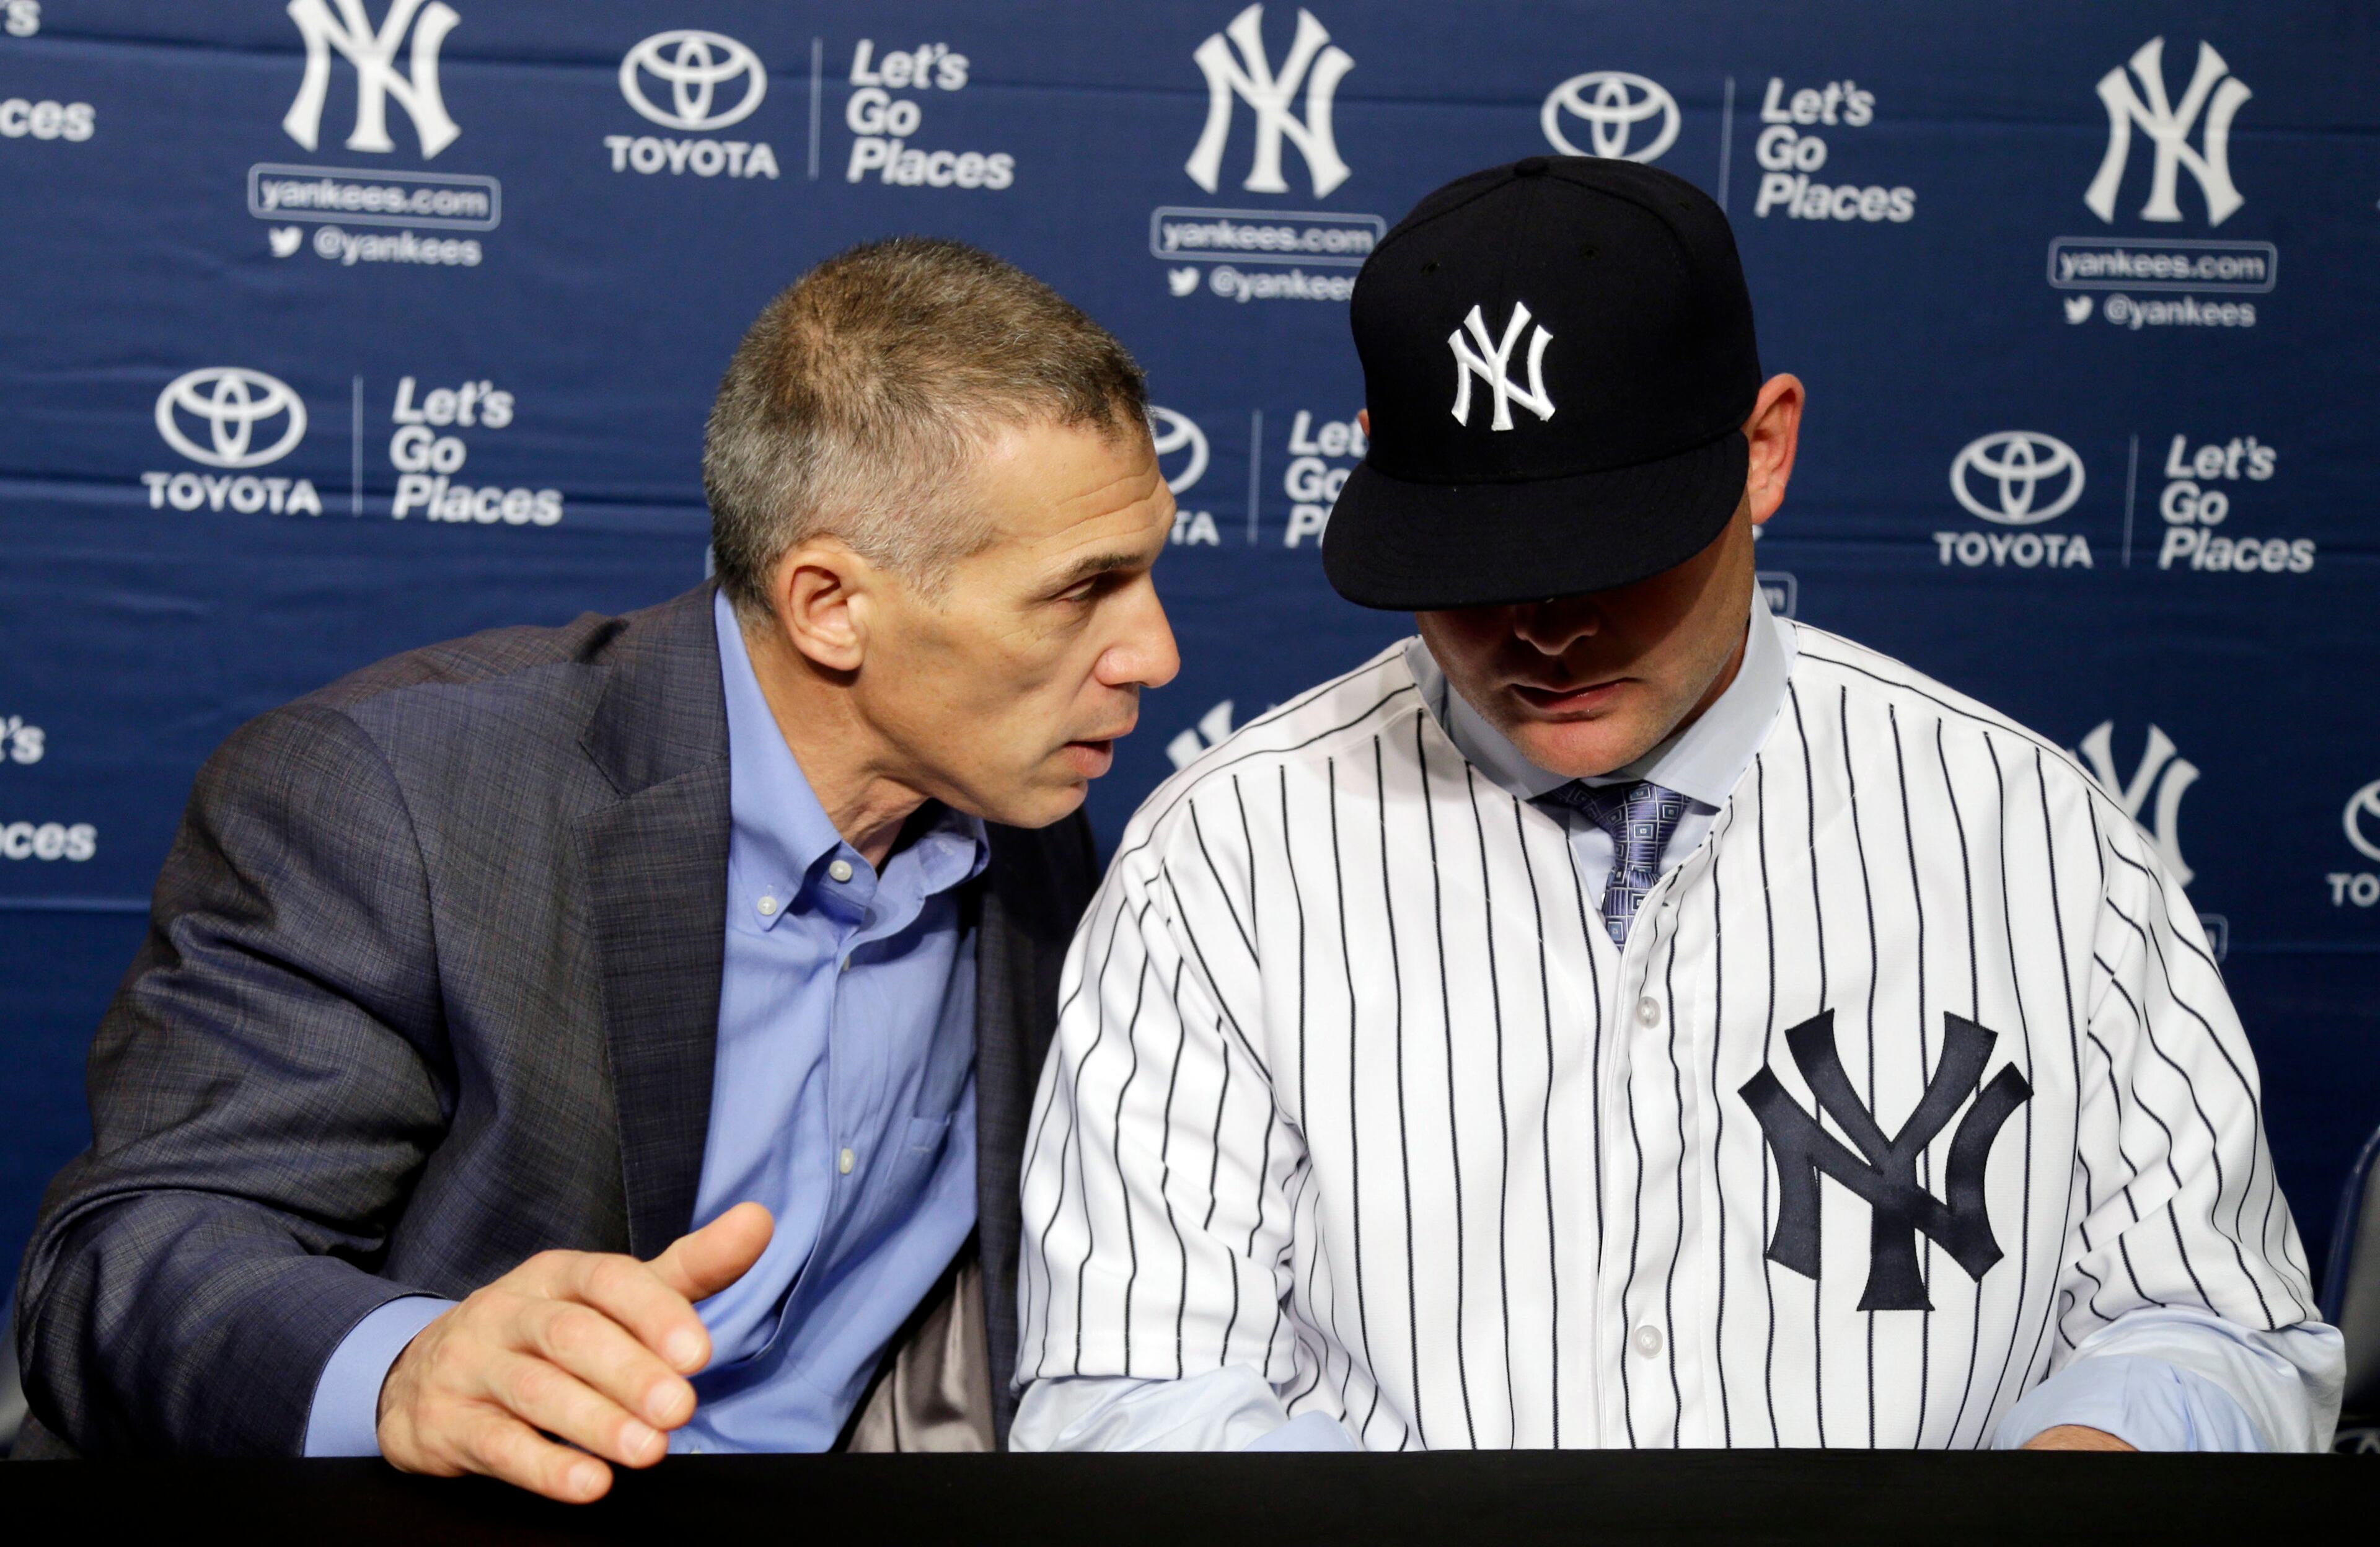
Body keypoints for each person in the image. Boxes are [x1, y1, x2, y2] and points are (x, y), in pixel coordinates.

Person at [1011, 159, 2342, 1453]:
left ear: (1763, 453)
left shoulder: (2037, 835)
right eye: (1475, 561)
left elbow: (2222, 1326)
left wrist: (2086, 1465)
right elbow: (1132, 1395)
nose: (1543, 627)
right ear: (1377, 472)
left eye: (1606, 548)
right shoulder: (1226, 857)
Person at [14, 238, 1179, 1496]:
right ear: (831, 605)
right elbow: (130, 1260)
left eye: (1151, 570)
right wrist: (410, 1373)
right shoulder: (399, 795)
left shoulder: (1030, 811)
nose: (1154, 654)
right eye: (1082, 593)